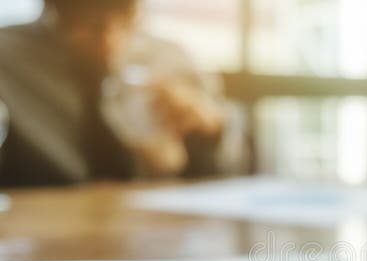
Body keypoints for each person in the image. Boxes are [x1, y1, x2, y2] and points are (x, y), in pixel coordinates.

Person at [0, 0, 243, 188]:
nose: (110, 43)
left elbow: (232, 166)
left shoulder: (170, 58)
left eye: (126, 23)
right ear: (53, 10)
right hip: (46, 217)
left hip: (154, 224)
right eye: (92, 28)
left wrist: (208, 132)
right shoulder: (8, 59)